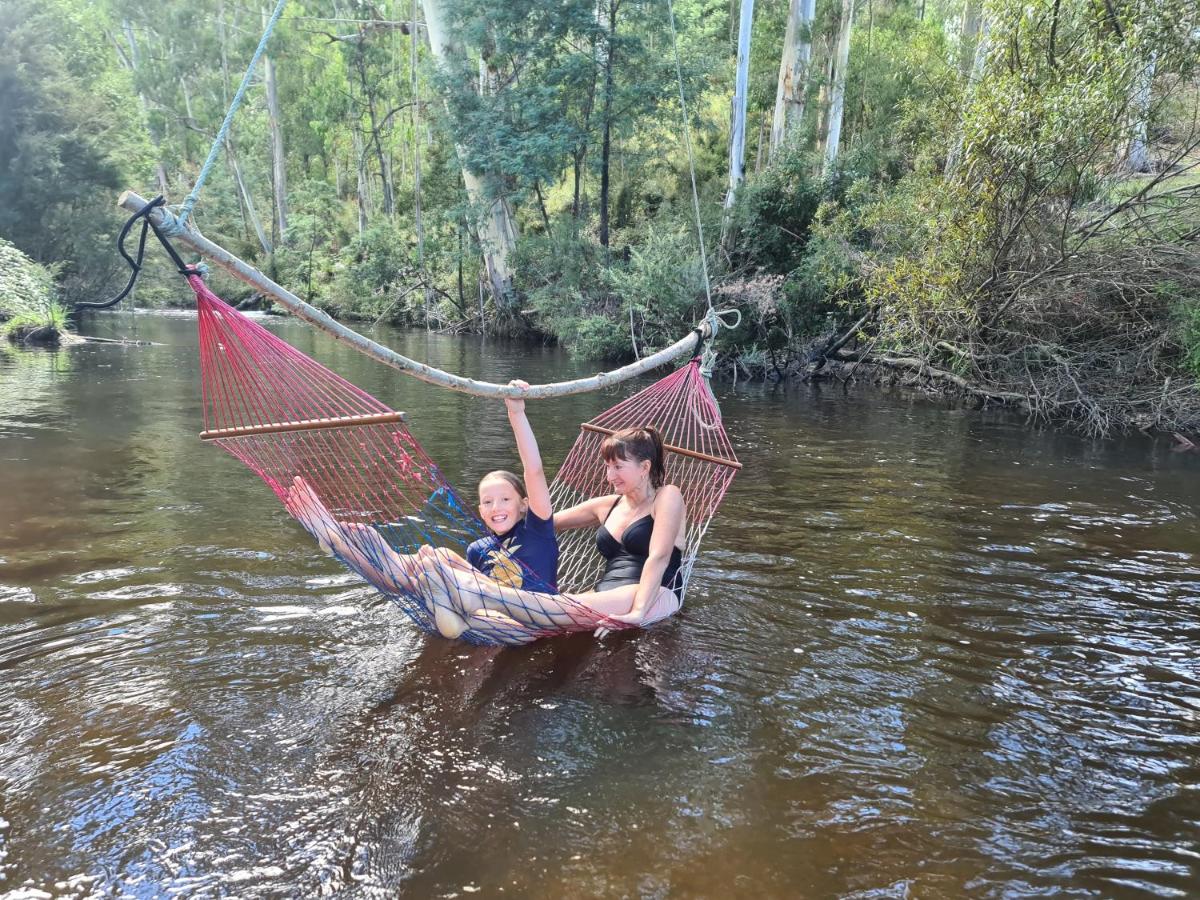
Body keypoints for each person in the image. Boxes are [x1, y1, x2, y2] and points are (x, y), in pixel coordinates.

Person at [284, 380, 557, 640]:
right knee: (435, 559)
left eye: (505, 499)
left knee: (441, 569)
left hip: (532, 620)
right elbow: (480, 589)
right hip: (487, 609)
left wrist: (516, 412)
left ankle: (455, 618)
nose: (495, 507)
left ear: (524, 504)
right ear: (480, 510)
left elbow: (533, 470)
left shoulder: (537, 529)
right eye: (487, 502)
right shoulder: (479, 549)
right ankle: (338, 541)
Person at [424, 425, 687, 638]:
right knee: (544, 621)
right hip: (604, 597)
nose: (609, 475)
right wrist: (505, 509)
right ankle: (463, 617)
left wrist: (639, 612)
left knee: (555, 608)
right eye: (607, 466)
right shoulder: (608, 505)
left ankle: (472, 592)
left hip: (653, 595)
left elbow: (659, 556)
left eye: (618, 466)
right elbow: (543, 522)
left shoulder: (667, 497)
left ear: (645, 467)